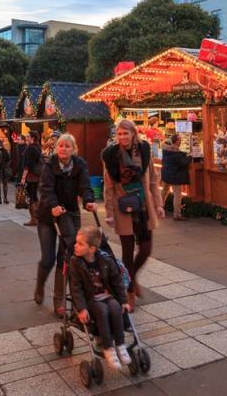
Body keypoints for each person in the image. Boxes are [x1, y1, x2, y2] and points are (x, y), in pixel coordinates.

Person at [102, 119, 163, 308]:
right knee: (127, 251)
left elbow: (153, 179)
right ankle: (128, 292)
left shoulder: (144, 151)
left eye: (125, 134)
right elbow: (108, 186)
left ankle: (131, 276)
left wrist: (159, 203)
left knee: (146, 249)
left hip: (144, 206)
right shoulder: (111, 156)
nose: (122, 137)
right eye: (119, 134)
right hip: (123, 207)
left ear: (133, 134)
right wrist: (109, 212)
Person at [35, 133, 95, 316]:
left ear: (73, 149)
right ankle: (40, 285)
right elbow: (46, 188)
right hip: (48, 216)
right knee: (48, 258)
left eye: (67, 146)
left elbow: (85, 186)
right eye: (60, 146)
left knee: (66, 258)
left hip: (69, 214)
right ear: (56, 148)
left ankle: (58, 301)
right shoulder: (49, 165)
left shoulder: (80, 165)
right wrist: (53, 206)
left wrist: (88, 200)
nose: (63, 149)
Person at [68, 225, 132, 372]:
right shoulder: (75, 263)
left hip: (108, 295)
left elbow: (117, 281)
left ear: (91, 249)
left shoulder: (105, 260)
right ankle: (108, 348)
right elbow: (76, 288)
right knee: (102, 310)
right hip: (91, 300)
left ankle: (121, 345)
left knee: (116, 307)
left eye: (80, 244)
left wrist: (123, 301)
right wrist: (82, 308)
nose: (75, 246)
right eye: (76, 243)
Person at [161, 135, 192, 221]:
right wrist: (190, 157)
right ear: (177, 141)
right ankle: (177, 214)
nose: (181, 141)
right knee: (177, 194)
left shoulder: (166, 150)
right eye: (180, 140)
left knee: (164, 191)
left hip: (166, 173)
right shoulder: (175, 152)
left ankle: (159, 208)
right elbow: (182, 163)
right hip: (174, 175)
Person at [19, 131, 43, 226]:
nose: (26, 137)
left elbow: (27, 165)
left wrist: (23, 177)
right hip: (36, 175)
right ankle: (38, 217)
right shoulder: (37, 147)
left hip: (30, 176)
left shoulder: (30, 148)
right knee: (34, 196)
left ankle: (34, 219)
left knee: (31, 197)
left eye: (28, 136)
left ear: (32, 138)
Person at [0, 138, 11, 205]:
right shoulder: (5, 150)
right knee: (5, 184)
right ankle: (5, 198)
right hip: (4, 169)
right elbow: (8, 159)